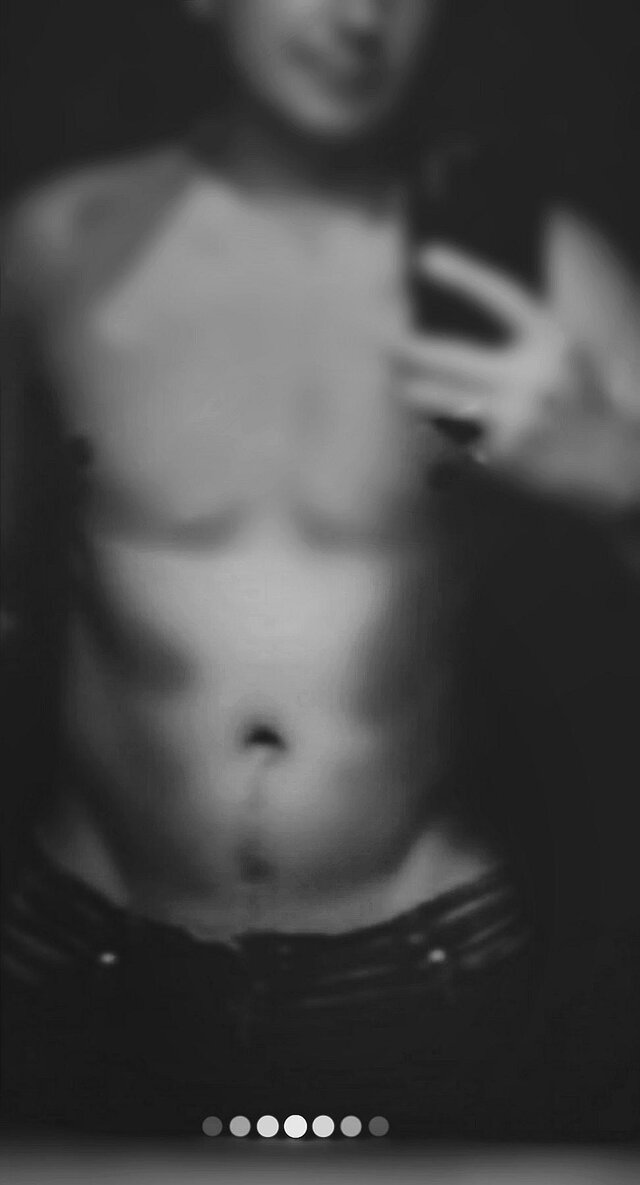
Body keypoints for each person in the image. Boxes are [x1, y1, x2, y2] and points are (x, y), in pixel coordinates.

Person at [1, 0, 639, 1138]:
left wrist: (618, 471)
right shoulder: (59, 245)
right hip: (88, 955)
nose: (360, 18)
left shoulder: (539, 267)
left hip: (422, 963)